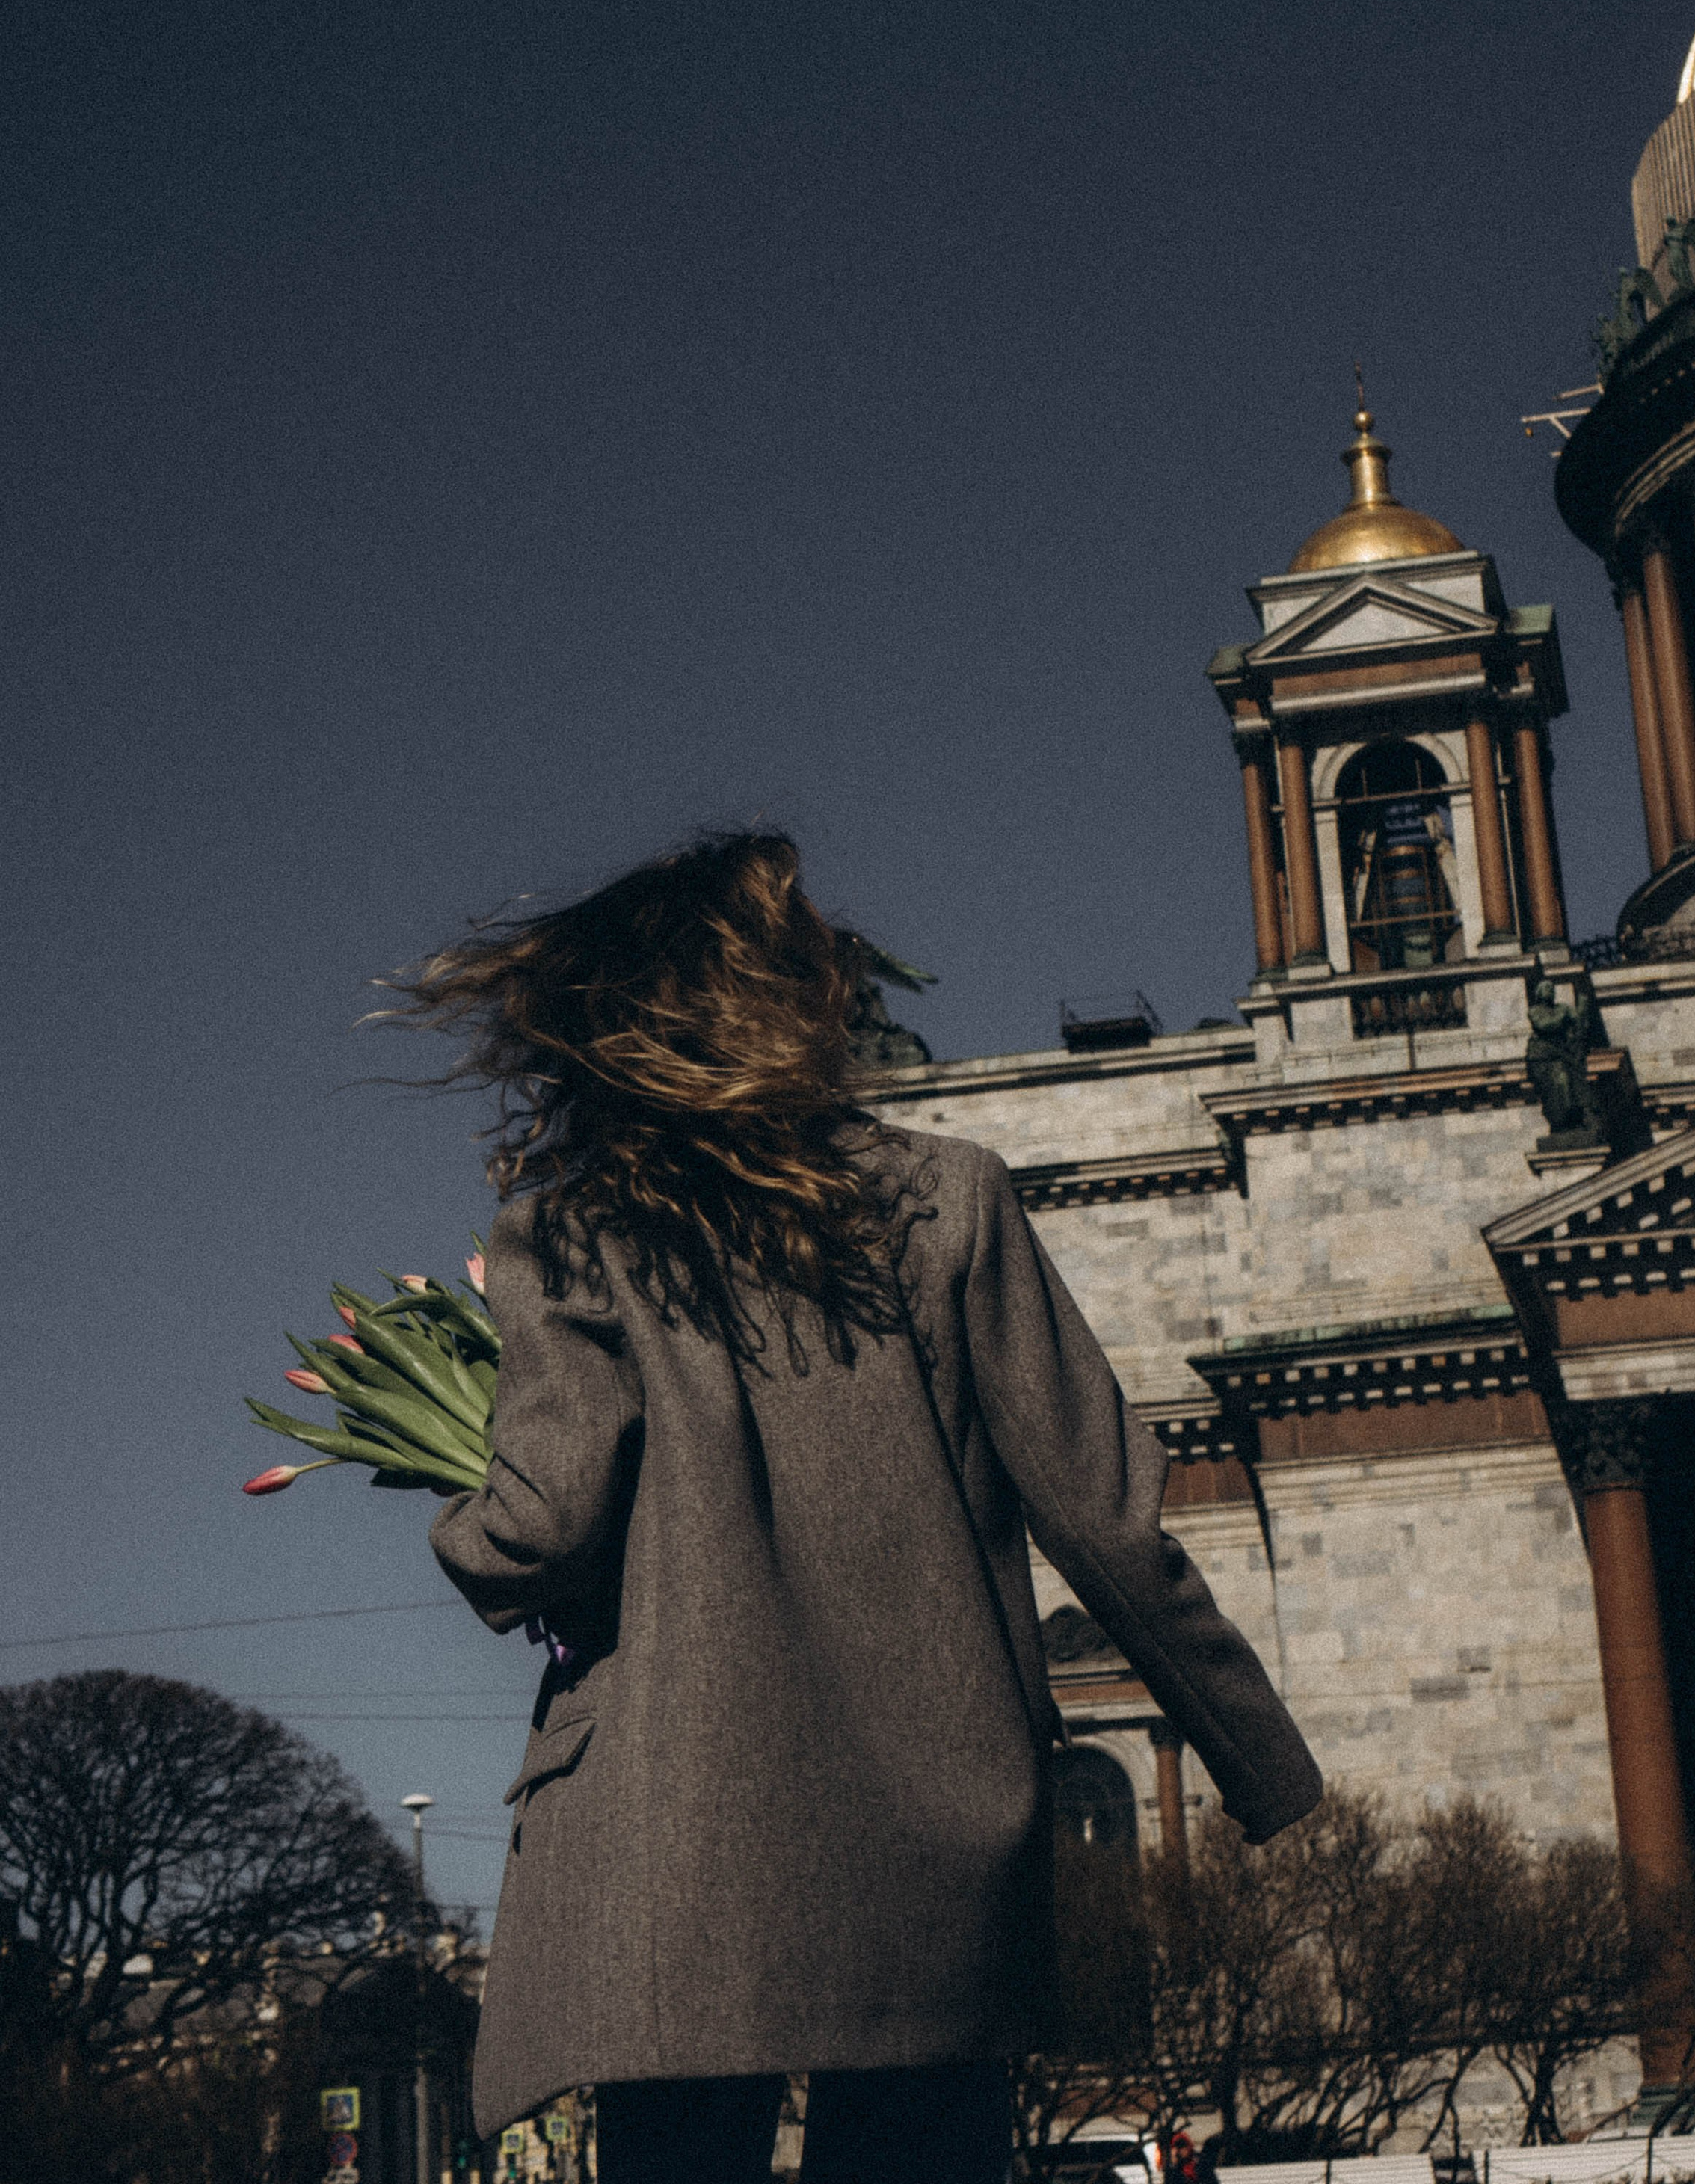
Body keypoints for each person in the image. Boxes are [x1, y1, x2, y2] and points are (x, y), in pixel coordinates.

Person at [404, 832, 1320, 2183]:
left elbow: (546, 1524)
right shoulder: (949, 1198)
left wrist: (462, 1535)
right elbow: (1106, 1514)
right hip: (930, 1825)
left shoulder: (577, 1228)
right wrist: (1261, 1762)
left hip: (673, 1830)